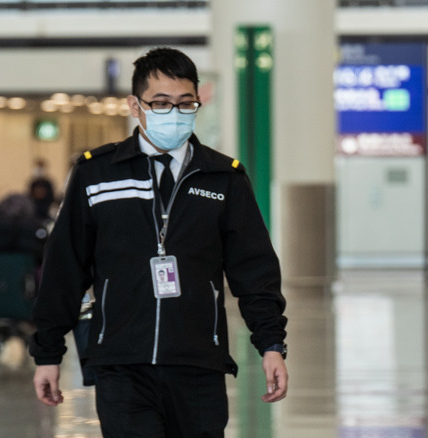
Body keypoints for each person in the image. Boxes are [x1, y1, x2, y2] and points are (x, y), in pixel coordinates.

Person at [29, 47, 288, 437]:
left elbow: (254, 271)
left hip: (199, 364)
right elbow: (65, 268)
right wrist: (47, 352)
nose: (175, 113)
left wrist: (271, 344)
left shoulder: (223, 178)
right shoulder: (96, 174)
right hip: (121, 363)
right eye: (162, 103)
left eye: (186, 104)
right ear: (135, 105)